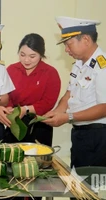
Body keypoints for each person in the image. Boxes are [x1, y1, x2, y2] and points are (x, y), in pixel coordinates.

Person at [43, 16, 106, 168]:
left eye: (68, 44)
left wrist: (67, 117)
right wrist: (56, 113)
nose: (66, 49)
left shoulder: (102, 66)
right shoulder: (79, 63)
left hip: (97, 137)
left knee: (91, 187)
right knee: (77, 184)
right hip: (80, 134)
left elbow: (104, 107)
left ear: (85, 39)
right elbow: (68, 95)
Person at [5, 33, 61, 147]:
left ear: (41, 54)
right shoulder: (11, 70)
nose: (26, 60)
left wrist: (26, 109)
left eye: (32, 56)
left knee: (37, 162)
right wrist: (10, 110)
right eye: (22, 54)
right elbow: (6, 95)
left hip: (39, 124)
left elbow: (48, 102)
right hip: (14, 122)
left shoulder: (50, 73)